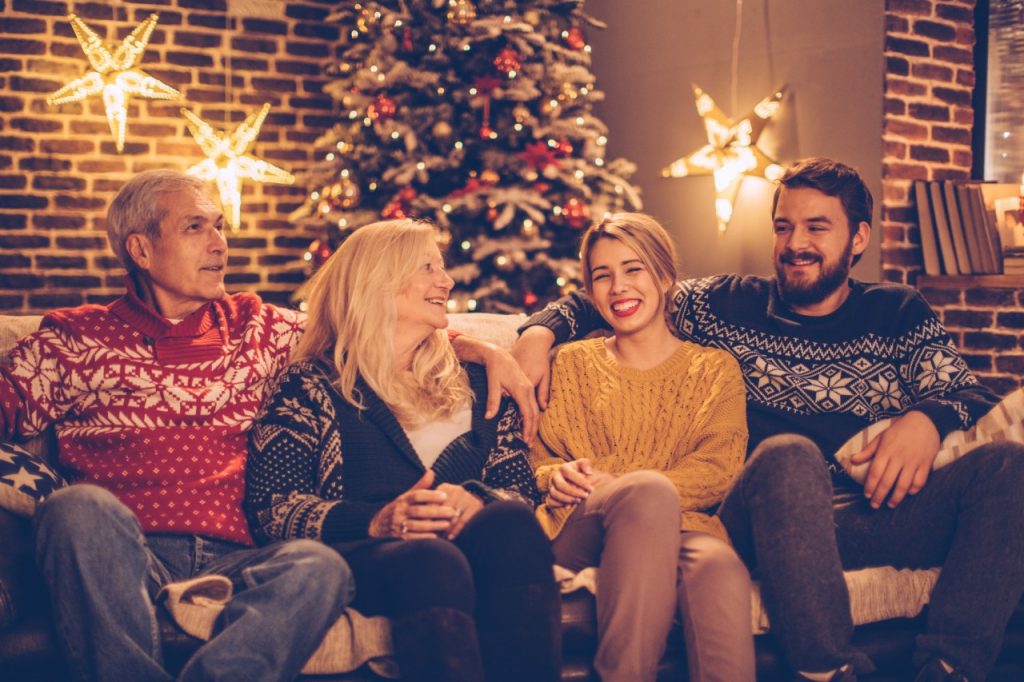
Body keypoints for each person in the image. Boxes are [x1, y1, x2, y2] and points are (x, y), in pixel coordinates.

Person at [513, 158, 1024, 682]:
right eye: (784, 227)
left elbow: (970, 392)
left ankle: (950, 668)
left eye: (816, 227)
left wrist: (927, 418)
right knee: (788, 452)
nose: (795, 242)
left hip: (870, 512)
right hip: (768, 513)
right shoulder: (723, 304)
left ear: (858, 238)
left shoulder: (898, 313)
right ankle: (826, 668)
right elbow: (619, 291)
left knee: (1009, 465)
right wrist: (537, 333)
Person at [0, 169, 352, 681]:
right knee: (76, 506)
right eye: (195, 228)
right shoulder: (72, 338)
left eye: (220, 226)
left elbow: (374, 337)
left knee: (321, 568)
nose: (219, 244)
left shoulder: (261, 326)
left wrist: (484, 351)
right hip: (121, 556)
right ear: (141, 250)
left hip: (238, 558)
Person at [244, 218, 561, 682]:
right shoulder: (310, 385)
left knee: (510, 520)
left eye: (443, 267)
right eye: (428, 267)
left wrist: (479, 499)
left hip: (472, 544)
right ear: (378, 280)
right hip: (373, 555)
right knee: (431, 559)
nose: (447, 280)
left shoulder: (480, 381)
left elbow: (519, 487)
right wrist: (377, 520)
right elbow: (272, 507)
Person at [530, 213, 754, 682]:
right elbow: (541, 457)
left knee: (719, 565)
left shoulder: (715, 371)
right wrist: (555, 477)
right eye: (602, 276)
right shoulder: (572, 362)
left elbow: (718, 468)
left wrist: (634, 485)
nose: (618, 288)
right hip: (581, 522)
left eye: (633, 269)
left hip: (684, 527)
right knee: (647, 492)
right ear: (590, 293)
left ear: (665, 276)